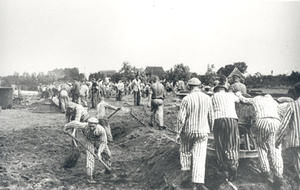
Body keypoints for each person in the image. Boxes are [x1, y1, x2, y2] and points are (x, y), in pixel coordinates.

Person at [236, 92, 284, 188]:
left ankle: (265, 171)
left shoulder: (257, 98)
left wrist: (238, 94)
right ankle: (278, 175)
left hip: (262, 121)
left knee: (261, 147)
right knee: (276, 149)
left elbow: (244, 100)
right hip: (276, 122)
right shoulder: (274, 102)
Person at [176, 77, 214, 190]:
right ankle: (196, 183)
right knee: (200, 156)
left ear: (189, 87)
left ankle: (185, 174)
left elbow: (181, 118)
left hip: (188, 131)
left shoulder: (186, 99)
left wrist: (178, 133)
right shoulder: (208, 98)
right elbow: (211, 116)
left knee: (185, 151)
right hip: (203, 131)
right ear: (200, 86)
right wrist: (210, 129)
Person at [64, 117, 111, 183]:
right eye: (90, 126)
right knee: (90, 157)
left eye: (93, 127)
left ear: (96, 125)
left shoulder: (101, 130)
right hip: (89, 141)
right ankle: (89, 177)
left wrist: (99, 153)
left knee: (107, 154)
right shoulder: (84, 126)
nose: (91, 128)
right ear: (88, 124)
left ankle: (107, 169)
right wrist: (66, 127)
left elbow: (103, 142)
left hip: (99, 141)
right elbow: (74, 123)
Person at [211, 82, 240, 182]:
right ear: (225, 89)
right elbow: (239, 99)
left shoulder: (213, 96)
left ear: (216, 90)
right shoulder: (231, 95)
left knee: (219, 143)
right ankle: (232, 164)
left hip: (218, 119)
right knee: (232, 142)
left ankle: (223, 167)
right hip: (232, 119)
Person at [276, 82, 300, 188]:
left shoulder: (293, 105)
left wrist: (277, 140)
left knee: (298, 163)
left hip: (297, 140)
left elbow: (283, 125)